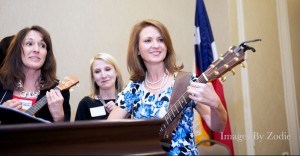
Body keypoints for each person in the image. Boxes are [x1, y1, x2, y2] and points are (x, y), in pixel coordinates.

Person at [108, 19, 227, 155]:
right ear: (137, 50)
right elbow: (108, 132)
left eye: (160, 40)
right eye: (148, 41)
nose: (156, 45)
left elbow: (218, 126)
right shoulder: (133, 88)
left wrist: (216, 104)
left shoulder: (188, 81)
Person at [0, 25, 71, 122]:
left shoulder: (58, 91)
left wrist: (59, 117)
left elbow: (66, 135)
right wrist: (2, 112)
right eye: (29, 44)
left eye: (42, 45)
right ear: (18, 50)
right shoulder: (1, 84)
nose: (36, 50)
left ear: (46, 53)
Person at [75, 53, 124, 121]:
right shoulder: (85, 103)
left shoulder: (128, 100)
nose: (103, 75)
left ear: (116, 72)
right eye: (97, 71)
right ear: (93, 78)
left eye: (107, 69)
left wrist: (119, 111)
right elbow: (78, 131)